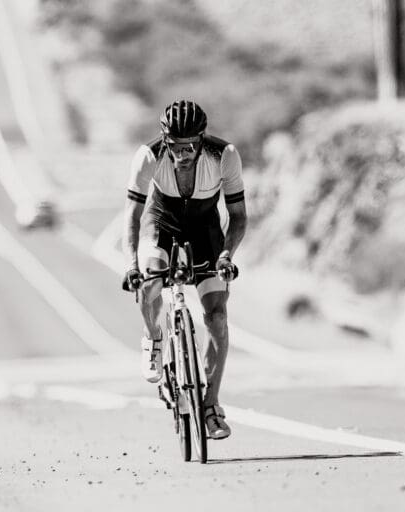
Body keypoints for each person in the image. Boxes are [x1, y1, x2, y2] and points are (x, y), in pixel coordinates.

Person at [122, 100, 247, 440]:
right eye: (176, 146)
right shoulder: (148, 156)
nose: (183, 153)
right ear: (165, 141)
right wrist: (132, 264)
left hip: (206, 233)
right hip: (160, 225)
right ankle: (154, 338)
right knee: (149, 283)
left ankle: (211, 406)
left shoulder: (224, 155)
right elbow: (132, 218)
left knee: (218, 318)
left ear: (202, 139)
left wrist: (226, 255)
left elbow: (237, 217)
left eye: (191, 145)